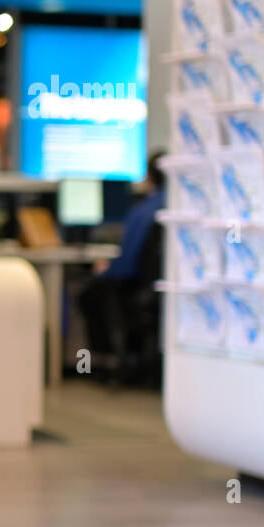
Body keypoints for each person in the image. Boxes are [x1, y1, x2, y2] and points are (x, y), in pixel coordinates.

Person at [77, 151, 166, 377]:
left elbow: (126, 267)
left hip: (139, 290)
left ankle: (107, 361)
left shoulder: (143, 212)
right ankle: (132, 359)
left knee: (88, 294)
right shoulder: (178, 207)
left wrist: (105, 268)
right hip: (163, 293)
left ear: (149, 178)